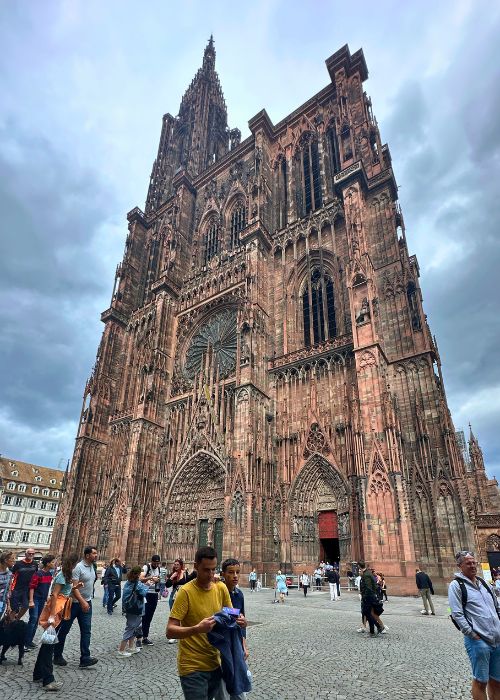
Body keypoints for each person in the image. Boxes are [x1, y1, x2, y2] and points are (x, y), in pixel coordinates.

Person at [167, 545, 232, 700]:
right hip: (192, 667)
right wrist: (197, 629)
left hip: (214, 663)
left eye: (213, 570)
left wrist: (240, 618)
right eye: (206, 570)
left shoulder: (220, 587)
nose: (210, 574)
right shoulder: (185, 592)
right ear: (195, 567)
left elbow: (230, 612)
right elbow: (170, 630)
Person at [449, 550, 500, 700]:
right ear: (460, 566)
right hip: (479, 642)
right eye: (468, 563)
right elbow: (457, 614)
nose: (472, 565)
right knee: (480, 681)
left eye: (473, 562)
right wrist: (473, 635)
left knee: (497, 681)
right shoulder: (456, 585)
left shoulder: (484, 582)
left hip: (497, 640)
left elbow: (496, 607)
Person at [32, 553, 79, 691]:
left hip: (61, 609)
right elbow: (54, 594)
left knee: (48, 643)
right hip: (56, 611)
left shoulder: (67, 575)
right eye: (75, 564)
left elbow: (65, 591)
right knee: (49, 645)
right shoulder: (61, 575)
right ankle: (48, 680)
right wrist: (52, 616)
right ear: (72, 564)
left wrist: (76, 587)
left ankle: (38, 674)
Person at [54, 545, 98, 668]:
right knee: (64, 630)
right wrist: (82, 601)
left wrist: (86, 601)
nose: (96, 555)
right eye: (94, 553)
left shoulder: (92, 566)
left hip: (87, 602)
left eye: (96, 553)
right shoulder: (78, 568)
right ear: (87, 555)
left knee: (86, 631)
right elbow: (73, 588)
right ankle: (57, 655)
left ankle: (85, 658)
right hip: (73, 604)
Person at [25, 554, 56, 650]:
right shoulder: (38, 574)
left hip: (42, 599)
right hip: (35, 599)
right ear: (47, 564)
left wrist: (46, 597)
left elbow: (46, 587)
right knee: (33, 619)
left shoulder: (49, 574)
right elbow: (32, 587)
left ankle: (29, 641)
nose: (54, 564)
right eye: (52, 562)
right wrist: (30, 601)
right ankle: (26, 642)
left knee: (36, 620)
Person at [117, 566, 149, 657]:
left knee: (134, 627)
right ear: (138, 574)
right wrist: (147, 585)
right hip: (135, 608)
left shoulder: (129, 582)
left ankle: (131, 647)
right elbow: (144, 592)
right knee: (130, 627)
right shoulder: (136, 584)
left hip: (131, 608)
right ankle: (121, 650)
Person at [221, 558, 249, 662]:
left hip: (236, 641)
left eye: (237, 572)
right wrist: (236, 613)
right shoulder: (217, 591)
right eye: (231, 572)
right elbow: (218, 610)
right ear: (223, 574)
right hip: (221, 640)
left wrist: (244, 646)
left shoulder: (239, 594)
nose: (235, 575)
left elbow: (242, 624)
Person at [165, 558, 197, 644]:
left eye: (177, 565)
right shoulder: (173, 574)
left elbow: (186, 582)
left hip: (182, 595)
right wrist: (172, 577)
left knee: (183, 615)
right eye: (175, 565)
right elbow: (167, 585)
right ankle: (175, 634)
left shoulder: (185, 573)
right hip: (174, 595)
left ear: (181, 565)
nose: (175, 566)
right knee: (173, 614)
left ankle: (182, 632)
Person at [359, 561, 387, 636]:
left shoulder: (366, 574)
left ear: (359, 567)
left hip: (368, 597)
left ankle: (374, 630)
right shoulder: (368, 573)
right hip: (371, 596)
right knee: (369, 613)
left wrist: (365, 597)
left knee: (367, 612)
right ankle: (377, 628)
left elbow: (368, 588)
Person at [10, 548, 38, 619]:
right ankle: (8, 624)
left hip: (28, 590)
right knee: (13, 608)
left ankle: (17, 619)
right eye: (29, 553)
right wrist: (10, 589)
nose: (31, 555)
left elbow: (36, 576)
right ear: (25, 554)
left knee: (25, 606)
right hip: (17, 589)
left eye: (32, 553)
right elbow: (12, 576)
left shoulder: (35, 564)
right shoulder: (18, 564)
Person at [141, 554, 162, 645]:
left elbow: (159, 579)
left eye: (158, 563)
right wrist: (151, 578)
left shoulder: (159, 569)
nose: (156, 565)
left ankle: (145, 637)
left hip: (154, 594)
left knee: (149, 616)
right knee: (142, 616)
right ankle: (138, 637)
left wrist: (158, 580)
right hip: (145, 593)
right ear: (152, 561)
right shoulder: (146, 567)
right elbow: (140, 578)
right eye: (155, 563)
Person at [0, 551, 15, 620]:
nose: (14, 560)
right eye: (12, 559)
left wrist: (8, 605)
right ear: (6, 560)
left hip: (1, 604)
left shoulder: (9, 574)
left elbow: (7, 591)